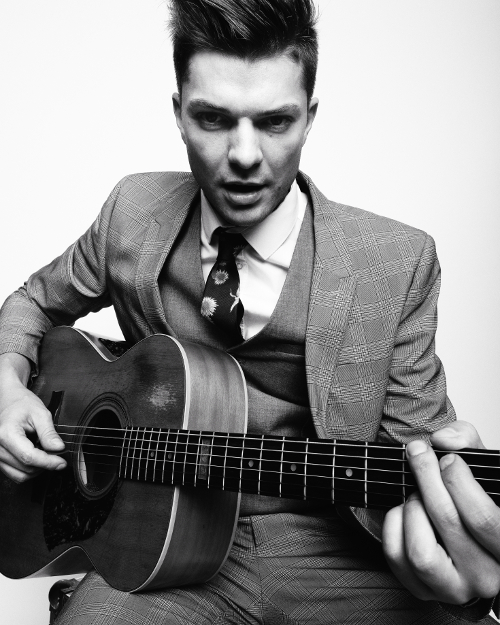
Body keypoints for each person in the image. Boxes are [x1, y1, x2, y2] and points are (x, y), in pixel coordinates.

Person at [0, 0, 499, 622]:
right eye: (213, 118)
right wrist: (6, 383)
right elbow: (31, 304)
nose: (243, 154)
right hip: (163, 558)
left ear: (310, 118)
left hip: (340, 558)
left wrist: (472, 571)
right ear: (179, 113)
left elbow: (424, 456)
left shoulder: (395, 262)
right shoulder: (133, 213)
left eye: (274, 122)